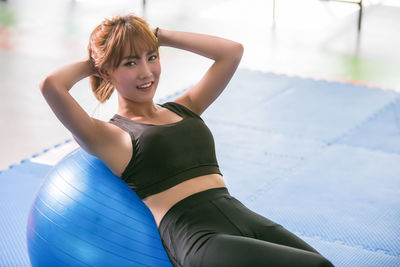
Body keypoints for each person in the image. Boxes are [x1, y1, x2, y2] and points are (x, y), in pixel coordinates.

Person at [40, 14, 333, 267]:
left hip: (241, 216)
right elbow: (51, 85)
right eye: (130, 63)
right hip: (199, 238)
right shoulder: (110, 136)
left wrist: (157, 36)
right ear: (106, 71)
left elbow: (232, 52)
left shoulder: (185, 106)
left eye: (151, 57)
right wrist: (97, 60)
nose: (146, 72)